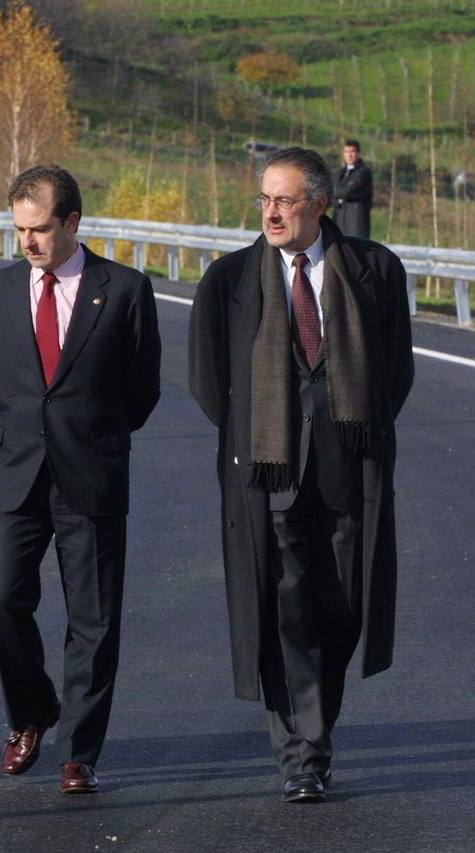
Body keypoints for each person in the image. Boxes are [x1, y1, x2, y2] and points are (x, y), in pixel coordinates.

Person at [188, 147, 413, 803]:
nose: (271, 212)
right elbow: (210, 383)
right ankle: (302, 756)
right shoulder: (230, 280)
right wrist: (262, 435)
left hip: (349, 467)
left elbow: (394, 374)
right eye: (264, 199)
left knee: (341, 608)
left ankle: (311, 735)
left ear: (320, 204)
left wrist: (351, 426)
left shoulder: (374, 270)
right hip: (271, 471)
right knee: (286, 608)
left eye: (284, 200)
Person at [0, 165, 161, 795]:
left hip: (92, 473)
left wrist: (92, 434)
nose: (27, 242)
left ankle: (80, 750)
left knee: (94, 620)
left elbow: (142, 390)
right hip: (17, 473)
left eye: (40, 228)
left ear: (73, 222)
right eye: (19, 229)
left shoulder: (126, 289)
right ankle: (32, 712)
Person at [332, 140, 373, 240]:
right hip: (339, 221)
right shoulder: (339, 173)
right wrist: (336, 196)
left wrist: (337, 194)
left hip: (356, 224)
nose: (349, 155)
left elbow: (348, 192)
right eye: (347, 151)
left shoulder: (364, 172)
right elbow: (330, 192)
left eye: (352, 151)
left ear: (358, 153)